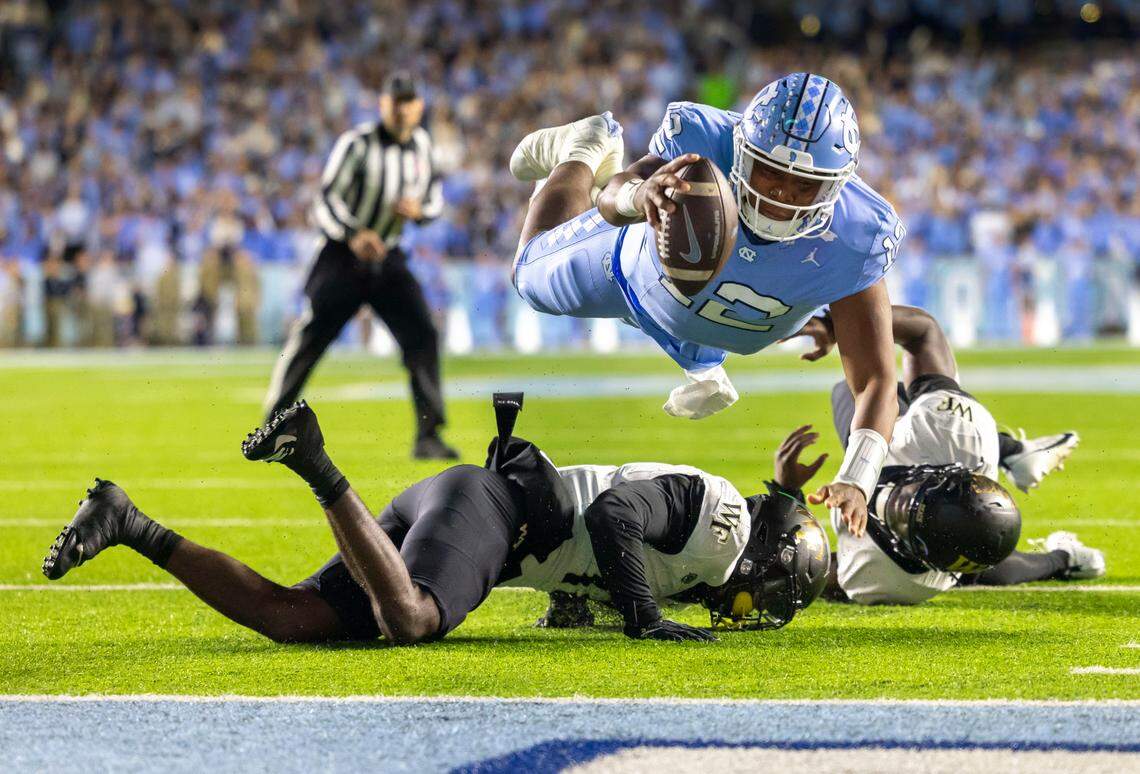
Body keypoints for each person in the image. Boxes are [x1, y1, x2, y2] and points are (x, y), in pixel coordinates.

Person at [40, 396, 829, 644]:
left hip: (466, 511)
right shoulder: (721, 525)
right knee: (412, 620)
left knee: (295, 617)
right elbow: (619, 513)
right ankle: (313, 457)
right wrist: (643, 617)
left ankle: (130, 523)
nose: (749, 606)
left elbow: (587, 563)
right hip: (490, 508)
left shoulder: (713, 537)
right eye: (768, 594)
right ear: (764, 556)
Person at [508, 73, 905, 541]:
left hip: (706, 317)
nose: (781, 197)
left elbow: (878, 378)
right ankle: (584, 147)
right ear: (742, 154)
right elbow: (618, 192)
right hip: (631, 272)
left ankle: (701, 360)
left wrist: (857, 479)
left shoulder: (859, 236)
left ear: (836, 187)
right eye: (770, 173)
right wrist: (640, 195)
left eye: (804, 187)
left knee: (707, 314)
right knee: (529, 276)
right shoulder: (704, 146)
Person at [784, 305, 1102, 605]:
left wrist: (787, 493)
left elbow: (809, 570)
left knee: (981, 561)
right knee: (861, 391)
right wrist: (838, 324)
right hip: (948, 447)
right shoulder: (953, 434)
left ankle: (1063, 559)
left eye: (905, 514)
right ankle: (1014, 452)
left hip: (939, 543)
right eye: (914, 497)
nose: (896, 500)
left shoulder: (884, 576)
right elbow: (923, 332)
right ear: (942, 474)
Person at [263, 72, 456, 460]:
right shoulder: (356, 144)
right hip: (341, 256)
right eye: (395, 101)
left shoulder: (422, 146)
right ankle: (271, 425)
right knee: (311, 338)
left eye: (408, 102)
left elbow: (435, 200)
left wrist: (420, 212)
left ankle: (428, 434)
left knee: (422, 335)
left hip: (388, 257)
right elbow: (326, 199)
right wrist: (353, 233)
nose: (401, 109)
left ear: (418, 106)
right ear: (382, 104)